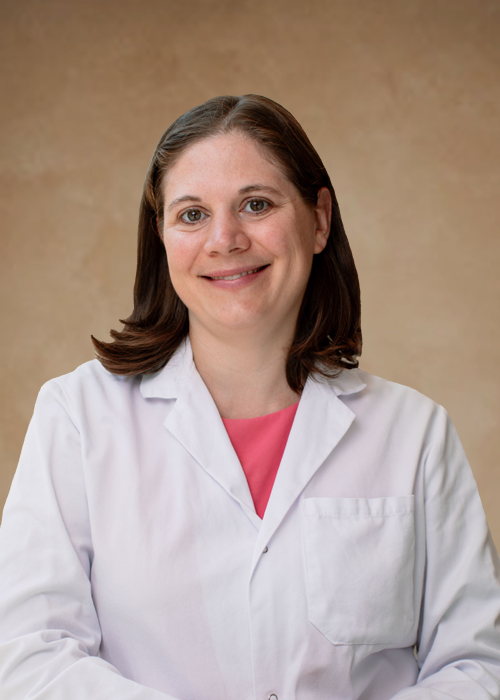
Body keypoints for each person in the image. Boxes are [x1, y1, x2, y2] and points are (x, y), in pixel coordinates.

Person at [0, 94, 499, 700]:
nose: (225, 239)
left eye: (256, 204)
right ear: (162, 238)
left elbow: (478, 667)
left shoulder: (414, 432)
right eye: (192, 214)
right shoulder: (79, 417)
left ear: (318, 221)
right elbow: (30, 656)